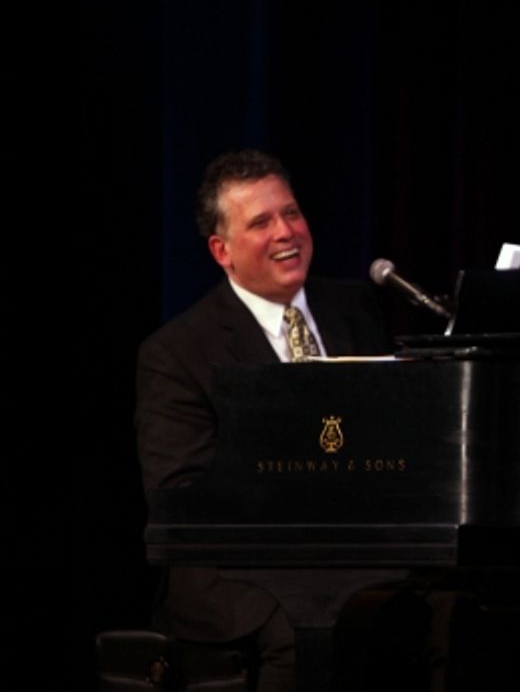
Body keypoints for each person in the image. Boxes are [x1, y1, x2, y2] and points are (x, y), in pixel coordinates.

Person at [135, 149, 393, 692]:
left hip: (362, 554)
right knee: (308, 631)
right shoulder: (179, 352)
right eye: (261, 222)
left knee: (448, 612)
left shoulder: (361, 309)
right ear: (221, 251)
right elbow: (178, 492)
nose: (286, 232)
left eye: (292, 213)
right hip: (239, 571)